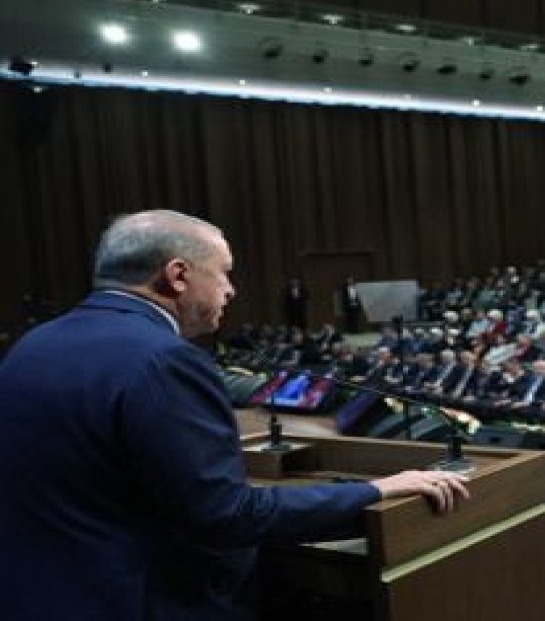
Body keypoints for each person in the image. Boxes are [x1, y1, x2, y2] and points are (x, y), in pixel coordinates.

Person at [0, 210, 469, 620]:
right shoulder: (164, 359)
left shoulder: (34, 345)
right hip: (136, 601)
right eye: (223, 272)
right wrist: (374, 490)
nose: (232, 288)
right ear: (178, 275)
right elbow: (225, 517)